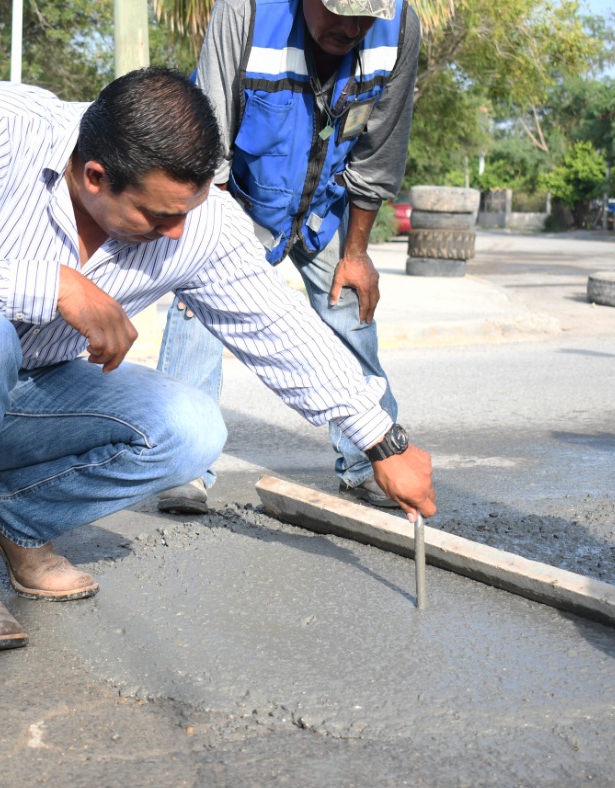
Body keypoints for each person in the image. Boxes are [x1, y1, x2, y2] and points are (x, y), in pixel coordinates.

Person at [0, 67, 435, 652]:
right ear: (96, 177)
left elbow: (278, 330)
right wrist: (57, 285)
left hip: (24, 395)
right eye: (158, 217)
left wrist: (382, 440)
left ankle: (15, 518)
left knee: (192, 428)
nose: (177, 234)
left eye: (186, 212)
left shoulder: (197, 223)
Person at [155, 0, 421, 514]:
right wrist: (206, 249)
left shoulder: (398, 27)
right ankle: (182, 464)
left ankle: (372, 462)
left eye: (365, 15)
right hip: (240, 198)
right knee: (199, 311)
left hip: (324, 208)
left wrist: (358, 252)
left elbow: (380, 148)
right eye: (338, 10)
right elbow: (206, 131)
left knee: (351, 316)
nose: (351, 28)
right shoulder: (246, 12)